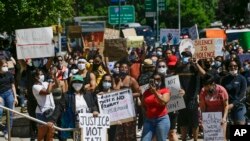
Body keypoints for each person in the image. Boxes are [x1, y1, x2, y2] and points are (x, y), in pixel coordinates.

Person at [58, 75, 99, 140]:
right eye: (75, 82)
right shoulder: (67, 95)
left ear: (83, 84)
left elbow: (93, 105)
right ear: (71, 84)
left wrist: (95, 110)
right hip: (76, 124)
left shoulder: (88, 94)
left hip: (89, 124)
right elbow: (59, 107)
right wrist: (52, 120)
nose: (77, 84)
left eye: (79, 82)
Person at [175, 51, 200, 141]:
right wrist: (178, 90)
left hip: (192, 98)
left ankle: (195, 139)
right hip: (181, 98)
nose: (185, 57)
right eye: (183, 56)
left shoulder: (194, 67)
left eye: (187, 56)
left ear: (191, 57)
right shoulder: (179, 68)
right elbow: (175, 81)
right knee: (182, 121)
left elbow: (202, 75)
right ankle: (184, 139)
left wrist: (196, 64)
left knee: (194, 122)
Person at [141, 72, 171, 141]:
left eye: (158, 79)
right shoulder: (146, 92)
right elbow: (143, 104)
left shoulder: (165, 90)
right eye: (154, 79)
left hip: (162, 120)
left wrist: (155, 92)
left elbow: (163, 102)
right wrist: (146, 113)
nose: (156, 81)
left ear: (161, 80)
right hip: (149, 120)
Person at [199, 73, 229, 140]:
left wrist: (224, 118)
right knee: (210, 138)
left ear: (213, 84)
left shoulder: (221, 90)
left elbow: (226, 106)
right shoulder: (203, 91)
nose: (205, 88)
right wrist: (202, 118)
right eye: (204, 86)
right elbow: (203, 107)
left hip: (221, 116)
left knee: (222, 137)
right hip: (209, 118)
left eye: (207, 86)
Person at [221, 60, 247, 125]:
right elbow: (221, 93)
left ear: (238, 67)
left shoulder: (242, 79)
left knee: (240, 124)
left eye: (235, 66)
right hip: (226, 106)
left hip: (239, 106)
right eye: (231, 66)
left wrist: (233, 104)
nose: (233, 67)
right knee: (226, 128)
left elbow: (243, 94)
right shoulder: (224, 79)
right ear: (228, 67)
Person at [0, 59, 18, 139]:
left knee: (10, 114)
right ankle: (3, 129)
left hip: (9, 93)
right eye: (4, 66)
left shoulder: (9, 74)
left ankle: (7, 132)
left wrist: (15, 97)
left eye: (6, 66)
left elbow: (13, 85)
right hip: (0, 95)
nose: (6, 67)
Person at [95, 74, 116, 141]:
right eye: (105, 81)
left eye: (109, 81)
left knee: (111, 137)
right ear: (102, 81)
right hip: (101, 120)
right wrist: (97, 97)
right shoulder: (97, 93)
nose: (107, 82)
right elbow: (94, 106)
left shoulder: (115, 93)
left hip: (112, 121)